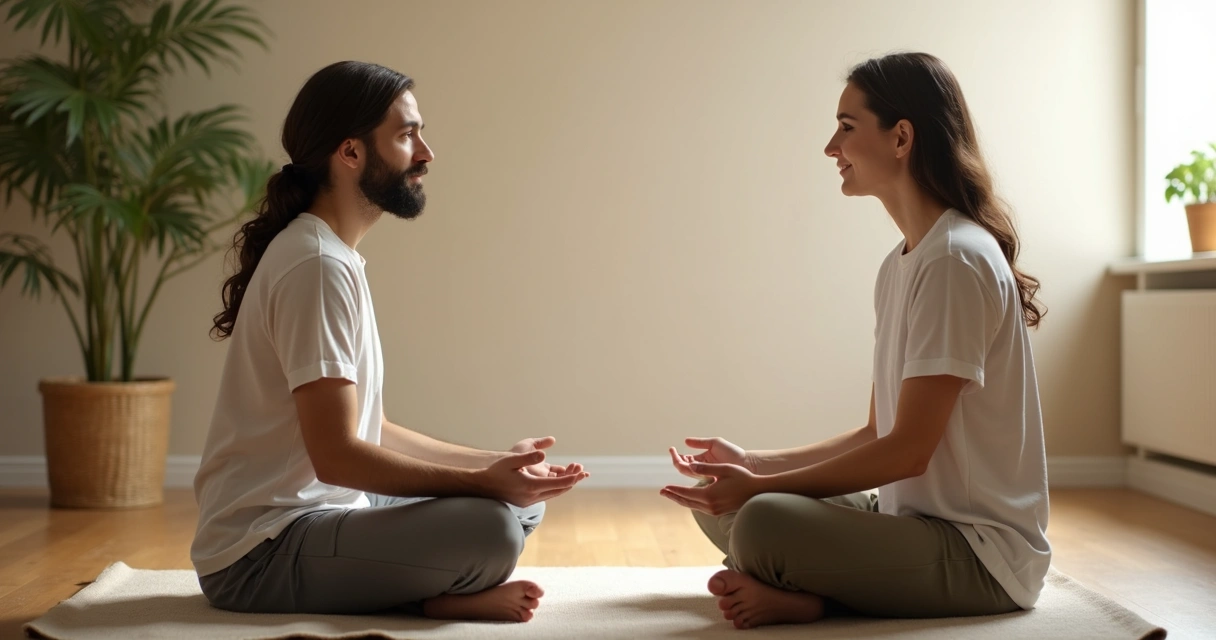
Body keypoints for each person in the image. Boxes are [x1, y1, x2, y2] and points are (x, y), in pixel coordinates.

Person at [662, 52, 1050, 630]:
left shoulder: (955, 261)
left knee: (762, 522)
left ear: (901, 138)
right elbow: (877, 432)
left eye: (846, 128)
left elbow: (907, 451)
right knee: (724, 494)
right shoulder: (903, 263)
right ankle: (802, 576)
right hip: (909, 522)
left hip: (979, 557)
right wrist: (750, 464)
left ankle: (816, 601)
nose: (830, 148)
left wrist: (763, 487)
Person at [193, 61, 589, 622]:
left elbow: (366, 429)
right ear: (350, 152)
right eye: (406, 136)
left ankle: (425, 585)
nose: (426, 153)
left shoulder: (333, 256)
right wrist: (478, 484)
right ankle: (427, 601)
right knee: (491, 529)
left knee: (513, 503)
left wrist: (498, 466)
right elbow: (336, 457)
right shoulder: (316, 266)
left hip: (321, 515)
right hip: (258, 555)